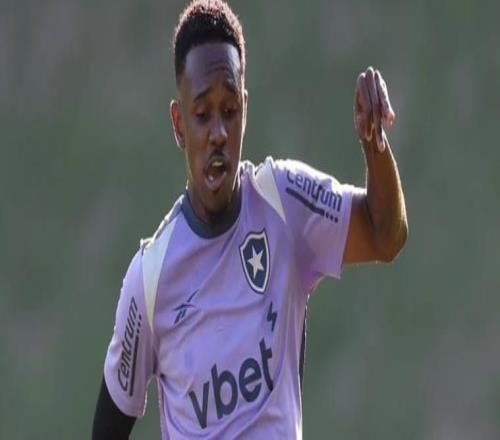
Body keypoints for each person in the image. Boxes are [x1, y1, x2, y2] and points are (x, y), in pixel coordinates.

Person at [92, 0, 408, 438]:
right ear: (179, 124)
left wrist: (374, 143)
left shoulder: (284, 203)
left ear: (245, 108)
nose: (218, 133)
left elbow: (385, 235)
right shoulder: (149, 279)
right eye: (202, 115)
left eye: (229, 111)